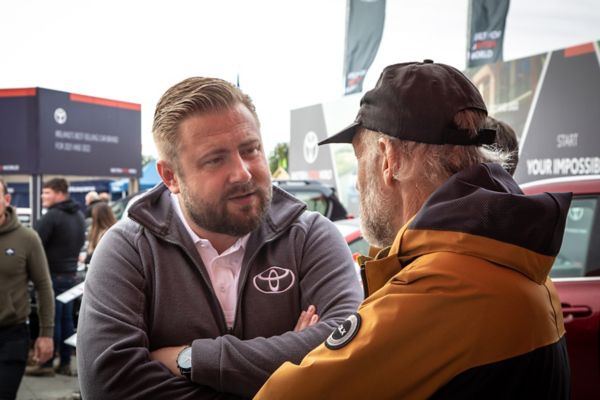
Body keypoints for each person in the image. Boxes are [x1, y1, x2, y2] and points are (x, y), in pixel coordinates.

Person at [256, 60, 572, 399]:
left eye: (360, 160)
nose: (359, 183)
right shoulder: (507, 254)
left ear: (389, 158)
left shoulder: (439, 292)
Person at [77, 77, 363, 399]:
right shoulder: (129, 250)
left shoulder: (310, 237)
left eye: (250, 149)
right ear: (170, 176)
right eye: (216, 159)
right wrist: (293, 372)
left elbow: (349, 349)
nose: (243, 172)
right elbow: (109, 386)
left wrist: (192, 359)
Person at [0, 178, 54, 399]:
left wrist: (46, 334)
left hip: (11, 335)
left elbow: (43, 286)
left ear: (6, 199)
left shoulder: (27, 238)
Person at [27, 178, 85, 377]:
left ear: (60, 193)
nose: (43, 196)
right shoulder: (78, 215)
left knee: (52, 320)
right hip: (71, 276)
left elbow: (34, 246)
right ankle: (65, 363)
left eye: (47, 192)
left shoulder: (52, 216)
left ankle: (47, 363)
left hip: (52, 275)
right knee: (66, 320)